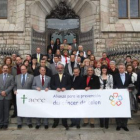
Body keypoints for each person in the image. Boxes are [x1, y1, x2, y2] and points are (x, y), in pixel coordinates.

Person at [50, 63, 71, 130]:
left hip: (65, 97)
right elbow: (51, 85)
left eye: (61, 68)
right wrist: (56, 88)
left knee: (64, 109)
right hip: (56, 97)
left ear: (63, 68)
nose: (60, 69)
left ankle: (65, 123)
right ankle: (55, 122)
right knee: (55, 109)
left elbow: (70, 84)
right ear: (56, 69)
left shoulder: (67, 76)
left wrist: (66, 88)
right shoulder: (53, 76)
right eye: (58, 68)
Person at [14, 65, 34, 129]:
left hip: (28, 96)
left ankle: (29, 122)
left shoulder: (31, 76)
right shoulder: (17, 77)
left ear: (26, 69)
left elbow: (32, 86)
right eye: (21, 69)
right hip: (19, 96)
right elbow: (14, 85)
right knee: (19, 109)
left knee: (28, 109)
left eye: (24, 69)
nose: (23, 70)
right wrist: (14, 90)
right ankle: (19, 123)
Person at [113, 63, 131, 131]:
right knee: (118, 109)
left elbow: (130, 84)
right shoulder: (115, 76)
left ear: (124, 69)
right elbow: (113, 84)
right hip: (118, 95)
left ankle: (124, 125)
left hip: (126, 96)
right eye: (120, 68)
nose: (121, 69)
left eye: (122, 68)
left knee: (125, 110)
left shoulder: (128, 76)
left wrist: (129, 88)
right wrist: (116, 88)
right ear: (118, 69)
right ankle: (118, 125)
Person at [0, 65, 14, 129]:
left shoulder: (11, 77)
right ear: (2, 69)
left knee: (6, 110)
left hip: (7, 96)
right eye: (4, 68)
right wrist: (1, 92)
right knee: (0, 110)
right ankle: (1, 123)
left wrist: (5, 92)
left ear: (8, 69)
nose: (5, 69)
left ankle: (5, 123)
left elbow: (12, 85)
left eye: (6, 68)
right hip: (0, 96)